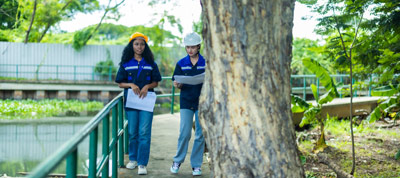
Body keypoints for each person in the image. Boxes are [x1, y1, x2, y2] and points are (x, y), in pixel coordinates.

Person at [115, 32, 162, 175]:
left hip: (146, 103)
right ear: (132, 45)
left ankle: (142, 163)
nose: (139, 47)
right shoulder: (126, 63)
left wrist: (148, 86)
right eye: (136, 44)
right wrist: (131, 85)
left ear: (145, 46)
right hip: (132, 102)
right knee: (132, 132)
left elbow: (156, 81)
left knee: (144, 133)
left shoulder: (151, 64)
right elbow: (120, 83)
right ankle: (133, 159)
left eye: (142, 44)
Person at [170, 32, 206, 176]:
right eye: (188, 47)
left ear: (198, 46)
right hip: (186, 101)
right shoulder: (181, 63)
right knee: (184, 133)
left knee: (200, 135)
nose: (190, 50)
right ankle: (177, 161)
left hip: (202, 102)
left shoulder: (206, 62)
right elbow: (175, 82)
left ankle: (196, 165)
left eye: (193, 47)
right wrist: (177, 85)